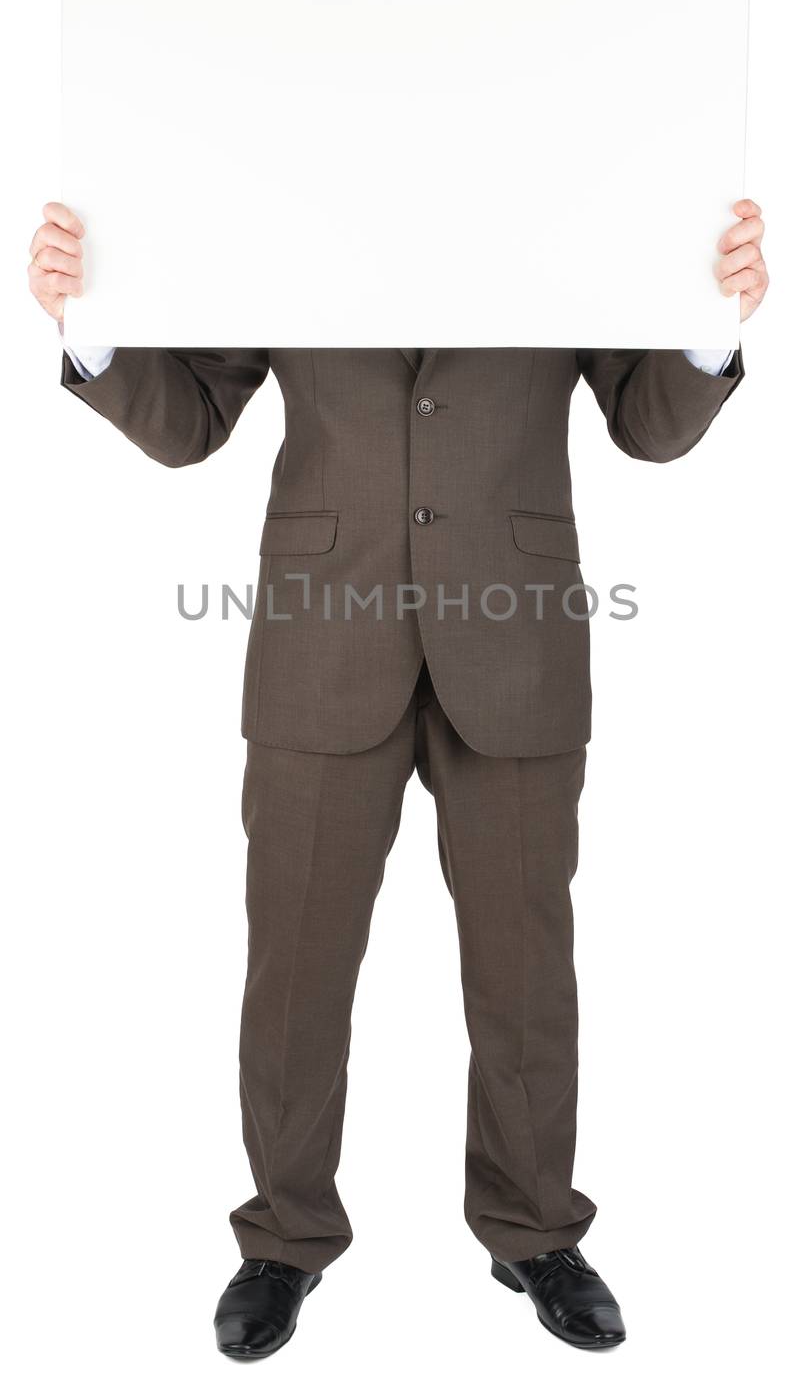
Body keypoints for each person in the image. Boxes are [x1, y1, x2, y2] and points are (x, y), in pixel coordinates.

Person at [28, 198, 768, 1357]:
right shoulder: (287, 202)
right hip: (323, 637)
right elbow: (189, 424)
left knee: (526, 968)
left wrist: (712, 323)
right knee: (296, 965)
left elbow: (650, 423)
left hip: (513, 637)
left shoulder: (565, 199)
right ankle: (282, 1238)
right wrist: (90, 327)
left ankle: (533, 1231)